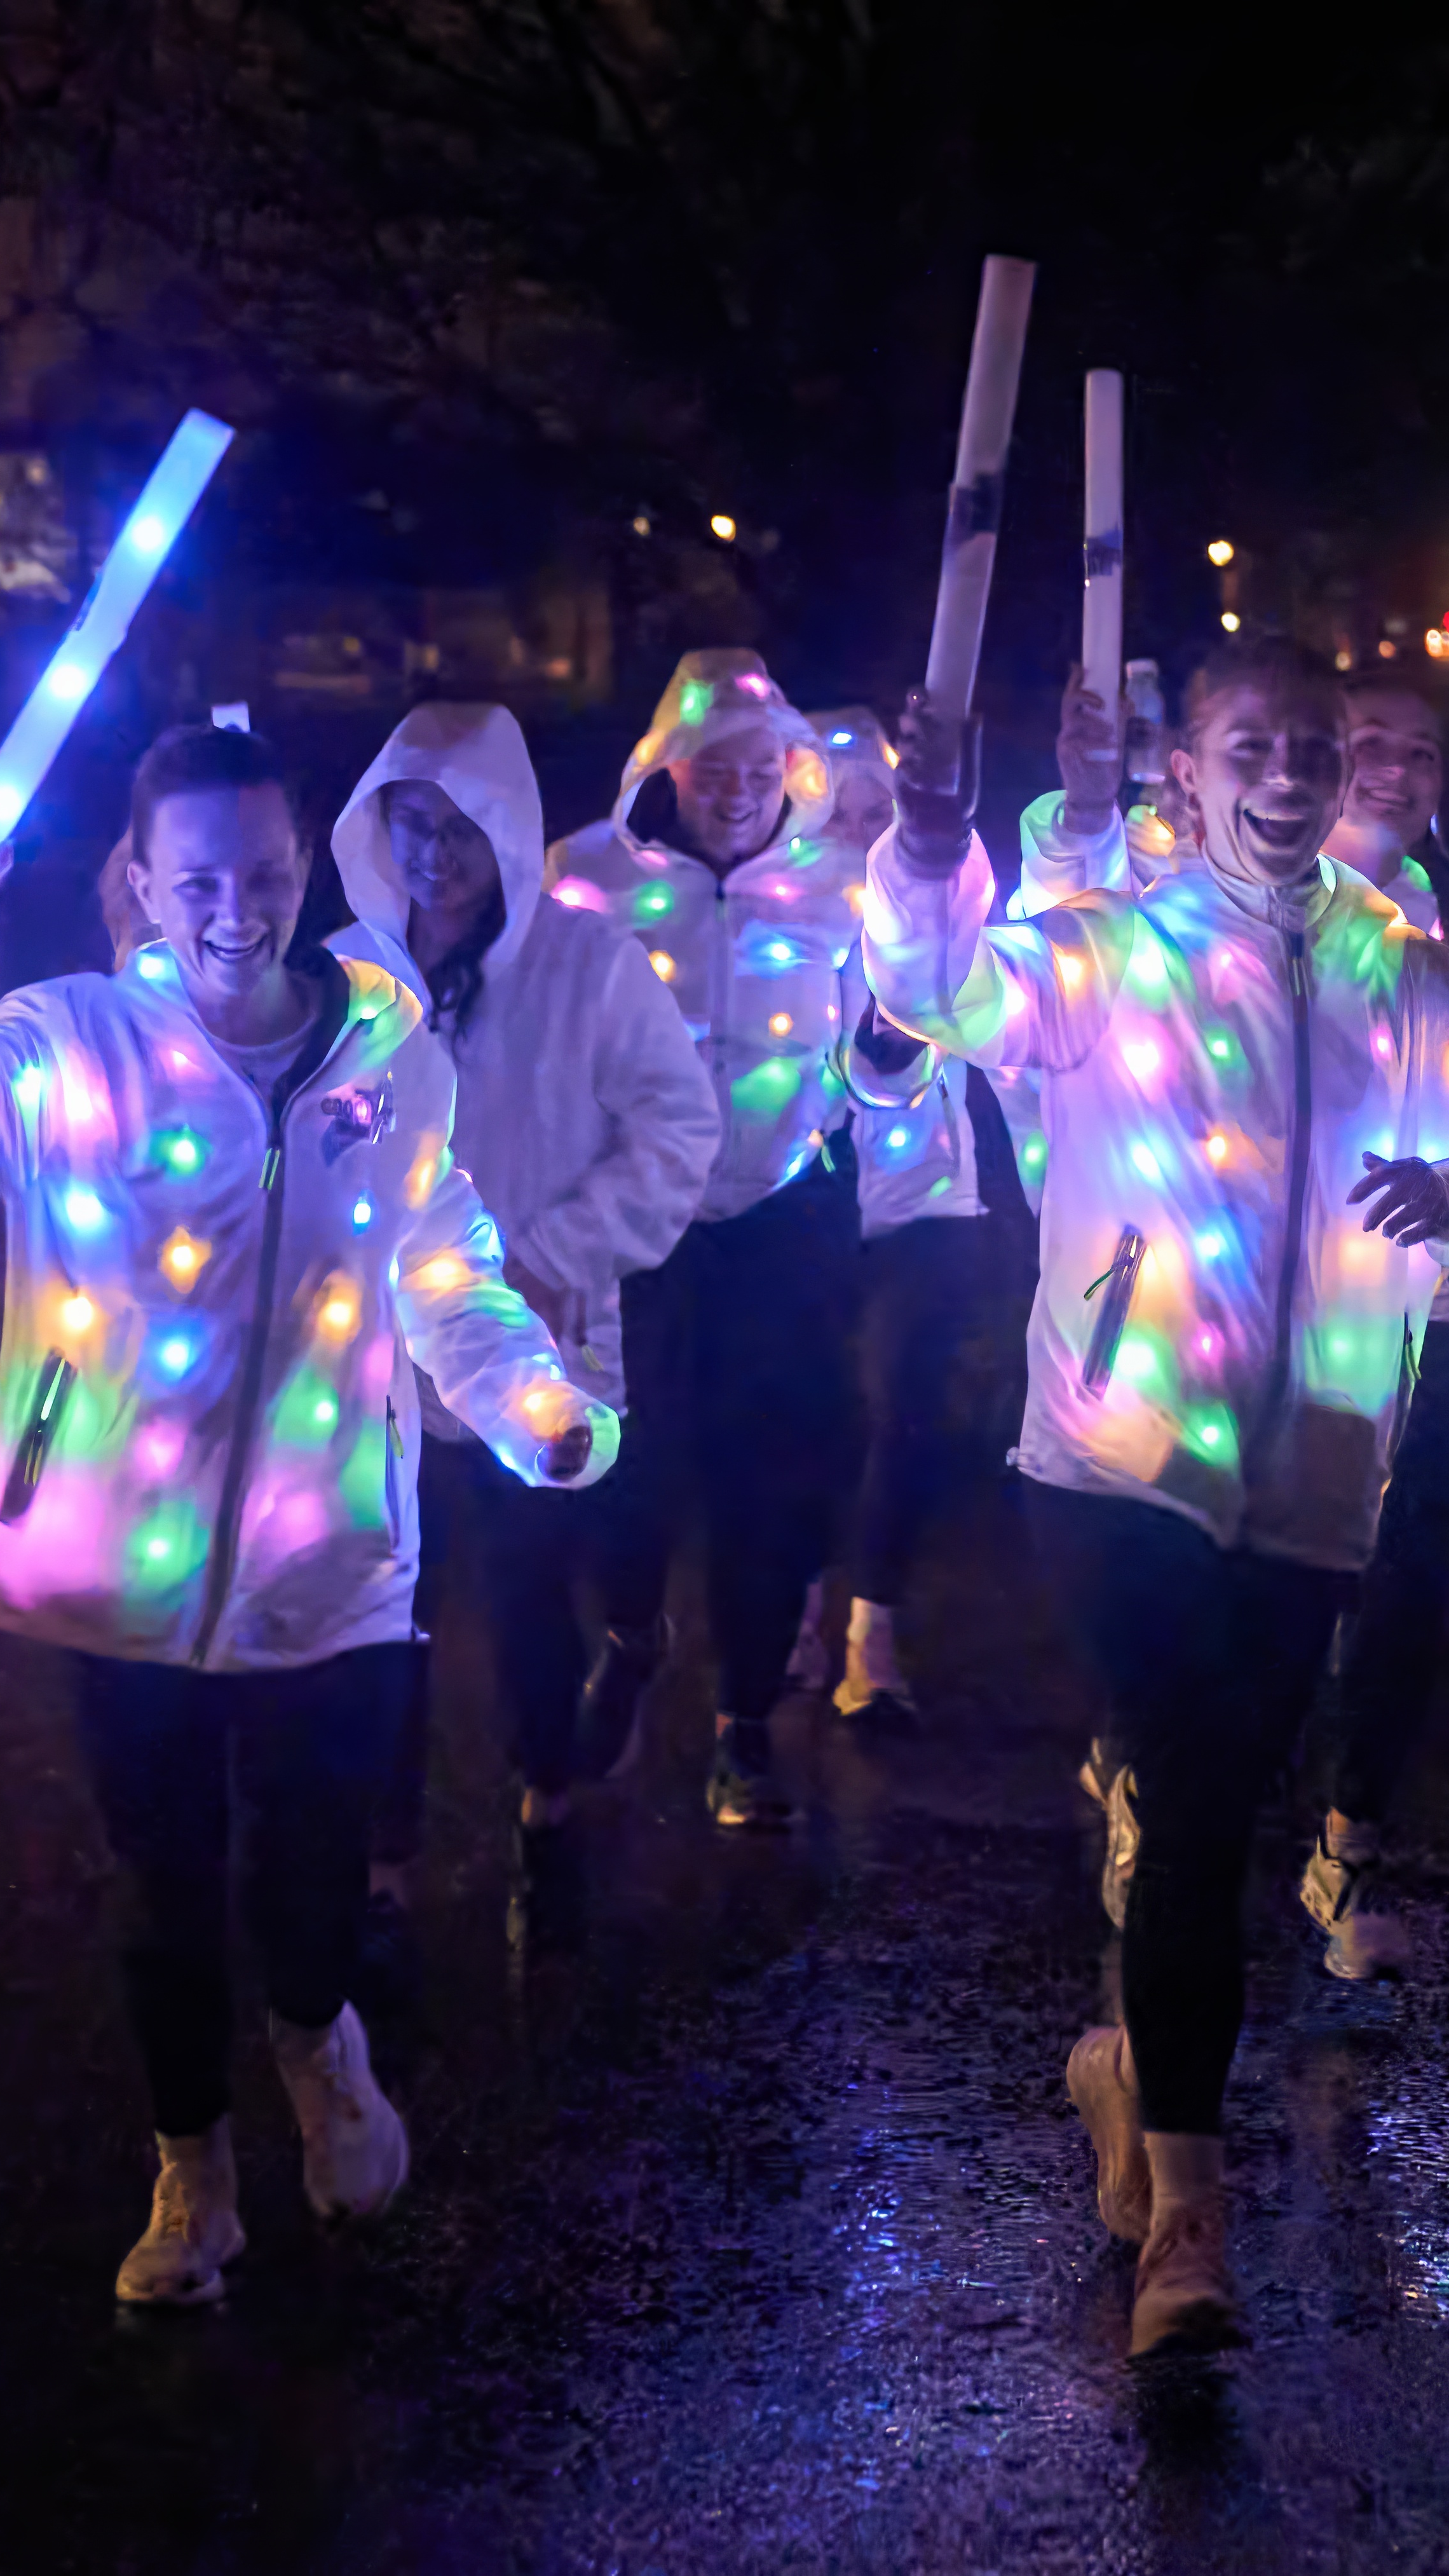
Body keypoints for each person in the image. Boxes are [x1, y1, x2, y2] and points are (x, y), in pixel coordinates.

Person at [866, 644, 1449, 2355]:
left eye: (1312, 749)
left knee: (1216, 1812)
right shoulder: (1108, 946)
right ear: (1185, 773)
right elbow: (934, 992)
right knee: (1197, 1799)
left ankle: (1134, 2067)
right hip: (1115, 1450)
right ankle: (1190, 2229)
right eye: (1249, 747)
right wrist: (926, 840)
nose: (1285, 775)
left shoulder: (1413, 970)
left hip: (1321, 1468)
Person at [0, 723, 609, 2306]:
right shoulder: (67, 1045)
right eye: (196, 881)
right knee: (163, 1885)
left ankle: (316, 2038)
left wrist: (535, 1401)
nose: (233, 909)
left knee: (314, 1877)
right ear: (138, 880)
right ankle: (194, 2174)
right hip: (120, 1569)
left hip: (333, 1563)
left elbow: (440, 1262)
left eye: (259, 873)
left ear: (302, 863)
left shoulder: (386, 1062)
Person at [1032, 671, 1449, 1982]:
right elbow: (1038, 951)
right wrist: (1070, 810)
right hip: (1178, 1352)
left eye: (1423, 752)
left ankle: (1335, 1838)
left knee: (1385, 1591)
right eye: (1366, 744)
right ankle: (1157, 1807)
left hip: (1388, 1335)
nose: (1393, 771)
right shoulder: (1184, 901)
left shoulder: (1437, 941)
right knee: (1199, 1664)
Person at [328, 704, 718, 1947]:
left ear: (505, 827)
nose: (434, 853)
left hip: (532, 1340)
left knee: (525, 1585)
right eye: (411, 822)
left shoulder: (587, 967)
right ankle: (384, 1853)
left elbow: (679, 1127)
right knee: (383, 1602)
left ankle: (550, 1789)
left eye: (461, 826)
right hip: (377, 1358)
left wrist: (552, 1257)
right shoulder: (345, 974)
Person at [547, 651, 910, 1828]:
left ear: (794, 769)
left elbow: (885, 1050)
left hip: (781, 1222)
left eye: (763, 767)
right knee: (625, 1457)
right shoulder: (586, 878)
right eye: (714, 765)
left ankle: (745, 1722)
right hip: (637, 1223)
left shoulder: (840, 888)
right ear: (667, 765)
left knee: (770, 1476)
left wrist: (890, 1062)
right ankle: (631, 1635)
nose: (739, 788)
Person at [803, 705, 999, 1726]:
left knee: (903, 1409)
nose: (856, 828)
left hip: (928, 1200)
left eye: (874, 809)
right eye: (834, 810)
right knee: (810, 1414)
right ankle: (797, 1602)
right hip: (806, 1202)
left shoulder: (930, 914)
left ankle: (871, 1634)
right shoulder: (772, 926)